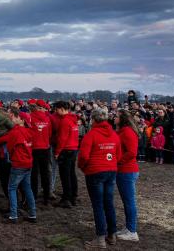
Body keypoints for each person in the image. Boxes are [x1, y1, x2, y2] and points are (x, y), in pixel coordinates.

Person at [78, 107, 120, 249]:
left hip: (95, 172)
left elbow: (83, 156)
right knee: (109, 203)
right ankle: (112, 234)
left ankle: (100, 239)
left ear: (93, 119)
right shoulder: (114, 134)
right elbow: (118, 155)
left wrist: (83, 167)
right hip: (111, 171)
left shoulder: (91, 135)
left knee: (98, 205)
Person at [0, 109, 37, 224]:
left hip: (18, 163)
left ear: (21, 120)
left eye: (15, 116)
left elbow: (9, 147)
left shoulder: (15, 132)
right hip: (28, 163)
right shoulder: (29, 131)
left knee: (12, 188)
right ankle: (33, 214)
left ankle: (13, 215)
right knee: (27, 188)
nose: (12, 118)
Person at [114, 109, 140, 242]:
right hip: (124, 170)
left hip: (127, 171)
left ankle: (132, 231)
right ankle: (129, 227)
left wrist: (117, 161)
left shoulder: (128, 132)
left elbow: (131, 153)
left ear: (122, 118)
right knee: (127, 201)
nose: (114, 117)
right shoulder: (123, 131)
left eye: (117, 116)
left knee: (129, 202)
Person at [53, 101, 79, 208]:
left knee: (65, 176)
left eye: (57, 109)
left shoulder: (64, 121)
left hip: (66, 150)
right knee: (72, 173)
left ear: (62, 109)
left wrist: (57, 152)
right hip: (73, 149)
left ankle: (66, 198)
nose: (56, 111)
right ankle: (73, 196)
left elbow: (62, 139)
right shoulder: (73, 120)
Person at [29, 99, 52, 205]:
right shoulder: (48, 119)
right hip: (45, 148)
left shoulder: (30, 117)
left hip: (34, 148)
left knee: (34, 173)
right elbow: (50, 133)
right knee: (45, 173)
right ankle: (46, 197)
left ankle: (33, 195)